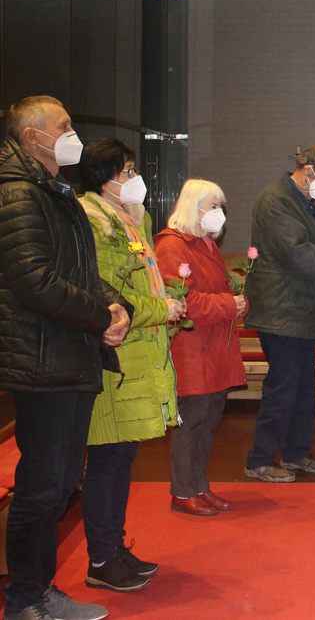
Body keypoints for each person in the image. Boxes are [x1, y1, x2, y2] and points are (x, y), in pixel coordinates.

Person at [0, 96, 128, 620]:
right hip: (41, 358)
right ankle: (24, 601)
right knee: (41, 488)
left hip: (68, 354)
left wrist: (113, 305)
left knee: (57, 485)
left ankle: (41, 591)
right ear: (33, 137)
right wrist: (100, 317)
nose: (74, 134)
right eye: (65, 126)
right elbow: (33, 280)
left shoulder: (54, 191)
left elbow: (79, 271)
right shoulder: (17, 193)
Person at [77, 138, 182, 593]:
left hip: (139, 352)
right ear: (105, 177)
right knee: (105, 460)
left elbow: (144, 282)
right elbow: (107, 292)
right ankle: (100, 559)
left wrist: (167, 302)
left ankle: (115, 548)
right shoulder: (91, 220)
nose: (136, 178)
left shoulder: (131, 217)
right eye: (128, 171)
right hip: (112, 356)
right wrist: (162, 309)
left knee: (122, 458)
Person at [243, 145, 315, 481]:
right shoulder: (276, 200)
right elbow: (298, 251)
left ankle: (295, 453)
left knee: (303, 387)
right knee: (282, 388)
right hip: (280, 310)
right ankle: (259, 460)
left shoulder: (306, 204)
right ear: (308, 168)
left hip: (299, 311)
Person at [155, 179, 249, 515]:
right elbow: (183, 301)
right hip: (192, 350)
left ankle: (199, 486)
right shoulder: (172, 245)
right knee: (192, 424)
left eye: (221, 207)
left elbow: (216, 291)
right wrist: (228, 305)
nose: (219, 213)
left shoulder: (206, 245)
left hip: (214, 348)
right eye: (213, 206)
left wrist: (237, 302)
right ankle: (183, 492)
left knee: (208, 423)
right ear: (193, 208)